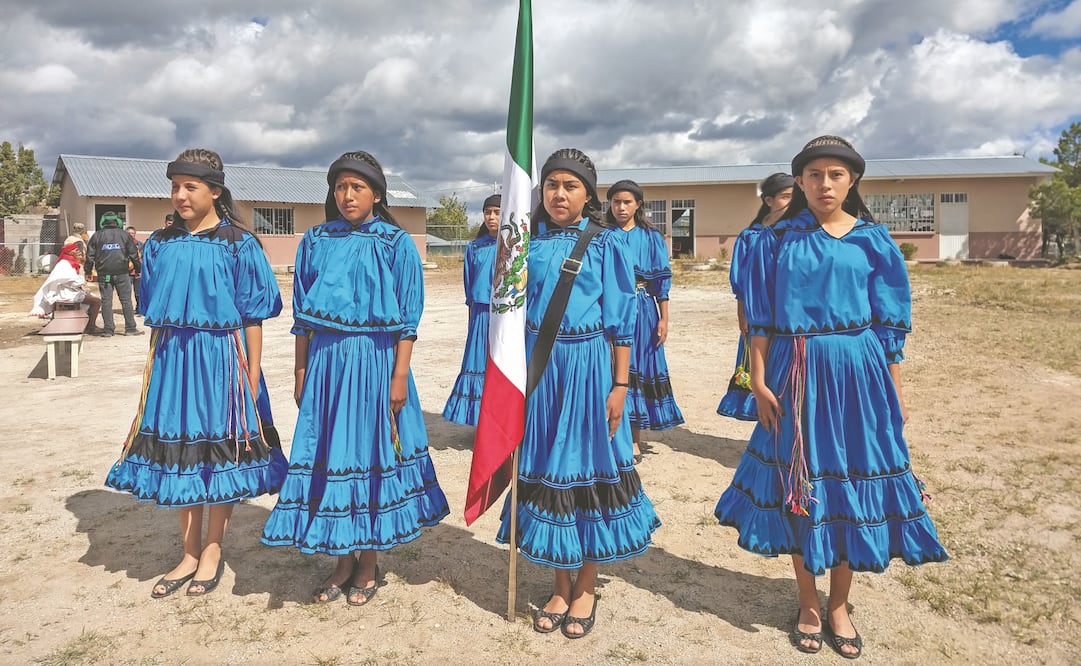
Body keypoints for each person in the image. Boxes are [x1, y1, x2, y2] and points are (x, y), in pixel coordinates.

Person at [714, 136, 948, 659]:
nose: (825, 184)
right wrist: (757, 377)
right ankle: (807, 602)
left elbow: (890, 328)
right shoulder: (774, 241)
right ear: (798, 181)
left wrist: (895, 392)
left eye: (836, 174)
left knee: (849, 486)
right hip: (795, 372)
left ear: (852, 181)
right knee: (801, 481)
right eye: (814, 174)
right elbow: (760, 318)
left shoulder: (873, 241)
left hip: (860, 375)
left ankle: (839, 603)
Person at [262, 151, 450, 606]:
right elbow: (302, 315)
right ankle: (340, 559)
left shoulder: (395, 243)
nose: (347, 195)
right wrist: (300, 368)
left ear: (376, 194)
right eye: (341, 187)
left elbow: (408, 318)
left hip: (376, 362)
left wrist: (399, 375)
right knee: (331, 454)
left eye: (357, 187)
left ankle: (368, 562)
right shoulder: (316, 240)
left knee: (368, 456)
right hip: (327, 363)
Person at [105, 148, 286, 598]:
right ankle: (187, 551)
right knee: (181, 453)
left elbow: (253, 317)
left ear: (215, 191)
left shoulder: (238, 243)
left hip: (223, 359)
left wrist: (252, 375)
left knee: (216, 453)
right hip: (171, 361)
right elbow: (151, 303)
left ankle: (212, 549)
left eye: (191, 187)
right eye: (175, 186)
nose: (180, 195)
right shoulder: (160, 244)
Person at [496, 148, 660, 639]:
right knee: (549, 471)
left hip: (589, 371)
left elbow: (621, 321)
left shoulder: (607, 244)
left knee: (586, 474)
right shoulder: (526, 244)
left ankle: (586, 586)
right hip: (541, 374)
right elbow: (505, 314)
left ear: (589, 194)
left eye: (570, 186)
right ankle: (559, 582)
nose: (558, 194)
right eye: (551, 185)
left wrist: (621, 384)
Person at [606, 180, 684, 462]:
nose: (621, 207)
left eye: (627, 202)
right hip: (610, 310)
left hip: (642, 310)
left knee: (636, 369)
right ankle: (611, 436)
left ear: (638, 204)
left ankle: (634, 440)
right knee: (611, 369)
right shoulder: (604, 236)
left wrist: (664, 318)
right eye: (616, 202)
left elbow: (662, 280)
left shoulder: (651, 237)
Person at [716, 172, 794, 421]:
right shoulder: (751, 237)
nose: (792, 202)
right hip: (760, 316)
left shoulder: (802, 234)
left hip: (793, 317)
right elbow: (742, 285)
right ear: (769, 201)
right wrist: (744, 317)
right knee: (763, 371)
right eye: (785, 197)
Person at [442, 193, 501, 426]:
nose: (491, 217)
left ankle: (500, 420)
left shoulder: (516, 247)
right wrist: (471, 324)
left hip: (505, 315)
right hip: (480, 315)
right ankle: (479, 422)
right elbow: (470, 290)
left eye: (497, 212)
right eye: (488, 212)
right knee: (478, 365)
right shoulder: (474, 247)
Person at [85, 212, 142, 337]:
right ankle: (130, 329)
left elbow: (89, 256)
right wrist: (138, 270)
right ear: (117, 222)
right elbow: (134, 254)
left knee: (106, 301)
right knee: (126, 301)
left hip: (104, 274)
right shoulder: (124, 235)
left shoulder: (97, 236)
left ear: (103, 222)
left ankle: (108, 330)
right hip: (122, 273)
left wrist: (88, 272)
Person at [29, 242, 102, 333]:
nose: (79, 252)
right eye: (76, 250)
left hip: (70, 291)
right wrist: (81, 281)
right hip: (65, 293)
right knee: (96, 301)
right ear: (70, 252)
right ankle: (91, 326)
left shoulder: (70, 262)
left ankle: (86, 323)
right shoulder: (64, 264)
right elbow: (71, 281)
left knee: (92, 296)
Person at [126, 226, 144, 313]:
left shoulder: (140, 244)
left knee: (138, 292)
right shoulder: (123, 244)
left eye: (132, 233)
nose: (131, 235)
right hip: (127, 272)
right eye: (129, 233)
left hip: (138, 271)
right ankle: (128, 309)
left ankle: (139, 308)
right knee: (127, 292)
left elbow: (144, 257)